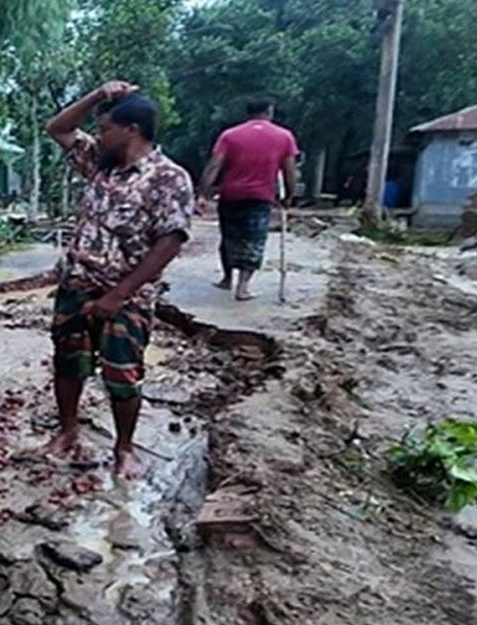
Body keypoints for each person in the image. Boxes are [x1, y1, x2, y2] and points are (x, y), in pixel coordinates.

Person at [44, 82, 195, 480]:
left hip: (126, 296)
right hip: (76, 284)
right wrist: (97, 96)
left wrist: (119, 294)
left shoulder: (169, 178)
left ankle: (124, 448)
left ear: (132, 129)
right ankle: (67, 432)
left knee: (123, 373)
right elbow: (57, 129)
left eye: (107, 127)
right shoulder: (98, 161)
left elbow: (170, 241)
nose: (99, 135)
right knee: (69, 363)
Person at [199, 95, 299, 301]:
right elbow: (290, 170)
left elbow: (214, 165)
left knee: (229, 236)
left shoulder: (229, 135)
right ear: (269, 112)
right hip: (260, 196)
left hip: (230, 194)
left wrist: (203, 193)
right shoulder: (284, 136)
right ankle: (243, 287)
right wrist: (289, 195)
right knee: (254, 240)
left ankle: (227, 279)